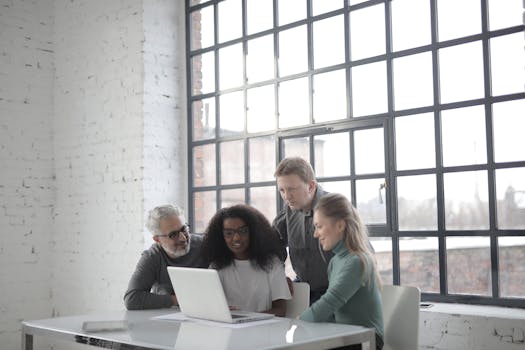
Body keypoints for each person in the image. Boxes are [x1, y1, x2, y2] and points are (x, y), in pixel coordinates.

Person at [299, 193, 384, 350]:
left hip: (367, 341)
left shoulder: (358, 261)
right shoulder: (335, 262)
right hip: (345, 336)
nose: (315, 234)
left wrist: (297, 323)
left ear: (340, 225)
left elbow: (330, 301)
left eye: (319, 226)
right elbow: (332, 312)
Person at [201, 204, 291, 316]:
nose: (236, 238)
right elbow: (209, 307)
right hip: (228, 330)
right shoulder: (216, 267)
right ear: (221, 237)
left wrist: (247, 318)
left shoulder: (272, 263)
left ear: (254, 232)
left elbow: (281, 310)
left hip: (264, 330)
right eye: (229, 233)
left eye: (243, 231)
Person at [124, 204, 208, 310]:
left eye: (184, 229)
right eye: (173, 235)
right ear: (157, 240)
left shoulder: (205, 245)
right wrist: (180, 300)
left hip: (206, 312)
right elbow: (132, 299)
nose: (183, 238)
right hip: (168, 318)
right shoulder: (152, 257)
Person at [272, 157, 332, 304]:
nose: (286, 197)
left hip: (336, 293)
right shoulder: (289, 210)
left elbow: (361, 258)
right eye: (282, 190)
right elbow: (272, 248)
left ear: (311, 186)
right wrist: (279, 278)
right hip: (304, 289)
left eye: (292, 189)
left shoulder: (336, 209)